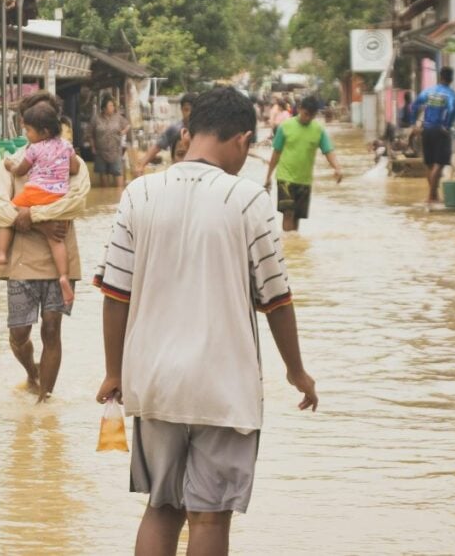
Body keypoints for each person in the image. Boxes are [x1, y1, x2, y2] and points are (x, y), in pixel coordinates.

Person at [95, 86, 318, 556]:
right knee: (210, 516)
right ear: (241, 139)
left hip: (153, 380)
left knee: (161, 507)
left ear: (190, 131)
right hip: (223, 385)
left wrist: (115, 372)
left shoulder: (140, 193)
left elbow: (115, 295)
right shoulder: (250, 201)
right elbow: (276, 300)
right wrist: (297, 372)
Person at [0, 91, 90, 403]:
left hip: (59, 258)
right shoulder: (12, 164)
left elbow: (76, 203)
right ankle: (32, 374)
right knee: (19, 334)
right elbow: (0, 209)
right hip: (21, 261)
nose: (27, 132)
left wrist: (29, 216)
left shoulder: (72, 160)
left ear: (46, 126)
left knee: (51, 329)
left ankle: (45, 400)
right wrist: (43, 221)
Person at [0, 101, 79, 305]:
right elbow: (74, 171)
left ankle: (0, 252)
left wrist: (11, 166)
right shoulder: (67, 147)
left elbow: (18, 177)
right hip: (56, 202)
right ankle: (64, 275)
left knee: (12, 211)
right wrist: (42, 223)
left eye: (28, 129)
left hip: (36, 196)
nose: (25, 133)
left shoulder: (32, 151)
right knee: (57, 241)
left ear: (43, 130)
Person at [264, 95, 343, 233]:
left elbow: (328, 151)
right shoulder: (285, 127)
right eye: (306, 114)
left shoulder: (318, 130)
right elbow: (276, 153)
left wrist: (337, 168)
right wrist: (268, 176)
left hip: (304, 180)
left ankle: (294, 249)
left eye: (311, 116)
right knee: (288, 213)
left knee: (296, 218)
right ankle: (288, 248)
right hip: (285, 178)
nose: (308, 118)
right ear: (300, 109)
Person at [413, 67, 455, 203]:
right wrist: (447, 125)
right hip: (440, 130)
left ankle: (434, 196)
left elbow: (415, 105)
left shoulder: (428, 92)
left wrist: (415, 124)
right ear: (451, 78)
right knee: (439, 164)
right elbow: (452, 110)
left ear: (440, 77)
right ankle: (430, 196)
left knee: (430, 164)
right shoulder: (451, 94)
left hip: (426, 130)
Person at [135, 93, 195, 176]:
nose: (189, 113)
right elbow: (157, 146)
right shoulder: (174, 129)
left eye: (192, 110)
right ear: (181, 109)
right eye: (186, 109)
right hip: (178, 172)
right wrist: (141, 165)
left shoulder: (203, 131)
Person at [90, 96, 130, 188]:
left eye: (113, 106)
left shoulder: (118, 117)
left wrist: (123, 132)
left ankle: (120, 195)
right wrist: (93, 147)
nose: (113, 108)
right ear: (104, 108)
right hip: (101, 151)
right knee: (102, 173)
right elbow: (90, 134)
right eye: (110, 106)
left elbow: (128, 125)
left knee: (118, 172)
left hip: (115, 150)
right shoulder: (96, 119)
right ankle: (106, 197)